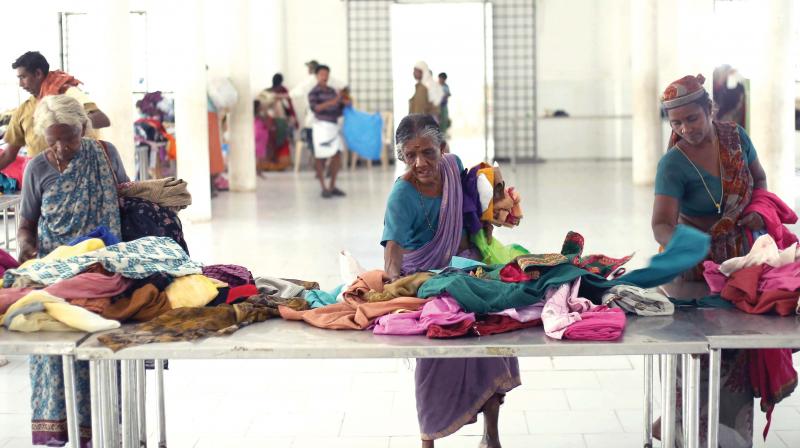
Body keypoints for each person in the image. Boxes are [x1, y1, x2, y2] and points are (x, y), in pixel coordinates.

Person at [382, 114, 519, 448]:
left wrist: (497, 212)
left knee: (489, 337)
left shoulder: (454, 168)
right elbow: (393, 253)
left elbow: (478, 204)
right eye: (410, 155)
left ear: (442, 148)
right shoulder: (401, 195)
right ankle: (428, 440)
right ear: (401, 156)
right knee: (436, 354)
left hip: (469, 271)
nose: (421, 162)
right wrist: (394, 290)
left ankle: (492, 434)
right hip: (427, 279)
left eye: (428, 152)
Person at [651, 74, 769, 445]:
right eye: (677, 123)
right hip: (691, 271)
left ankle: (731, 436)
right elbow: (661, 225)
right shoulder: (673, 164)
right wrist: (690, 248)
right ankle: (678, 426)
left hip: (738, 261)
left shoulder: (736, 139)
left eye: (693, 119)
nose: (686, 128)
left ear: (710, 110)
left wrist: (758, 211)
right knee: (696, 355)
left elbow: (760, 181)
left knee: (736, 351)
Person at [18, 94, 128, 446]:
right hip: (57, 281)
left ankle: (104, 432)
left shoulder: (105, 156)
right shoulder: (37, 168)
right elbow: (26, 224)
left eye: (70, 137)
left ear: (84, 127)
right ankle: (58, 431)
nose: (63, 148)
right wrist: (28, 249)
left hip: (102, 276)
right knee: (55, 357)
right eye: (54, 140)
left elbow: (126, 199)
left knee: (100, 352)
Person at [0, 51, 110, 171]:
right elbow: (8, 155)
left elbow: (102, 119)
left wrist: (70, 124)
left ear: (38, 73)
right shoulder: (23, 110)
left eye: (23, 77)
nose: (21, 84)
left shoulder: (68, 94)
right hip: (41, 178)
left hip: (78, 171)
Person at [308, 64, 350, 198]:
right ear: (316, 76)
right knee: (320, 157)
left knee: (337, 154)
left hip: (333, 126)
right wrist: (334, 101)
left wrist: (344, 103)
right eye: (322, 74)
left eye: (326, 74)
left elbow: (338, 109)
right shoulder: (313, 92)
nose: (324, 77)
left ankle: (332, 185)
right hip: (320, 126)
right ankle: (323, 187)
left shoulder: (333, 91)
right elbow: (316, 108)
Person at [290, 60, 345, 162]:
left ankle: (320, 160)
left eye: (309, 68)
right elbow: (345, 89)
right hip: (331, 122)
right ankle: (326, 161)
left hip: (315, 122)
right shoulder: (333, 81)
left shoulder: (309, 82)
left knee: (313, 138)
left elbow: (293, 94)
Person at [256, 73, 298, 171]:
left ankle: (268, 164)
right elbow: (288, 108)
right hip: (276, 121)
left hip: (269, 121)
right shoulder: (282, 92)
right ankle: (274, 163)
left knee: (271, 142)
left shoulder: (266, 92)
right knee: (277, 141)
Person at [437, 72, 451, 137]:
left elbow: (448, 94)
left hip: (444, 106)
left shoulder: (446, 86)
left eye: (441, 79)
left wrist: (445, 95)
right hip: (436, 107)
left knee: (444, 121)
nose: (440, 80)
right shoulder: (436, 86)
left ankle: (443, 135)